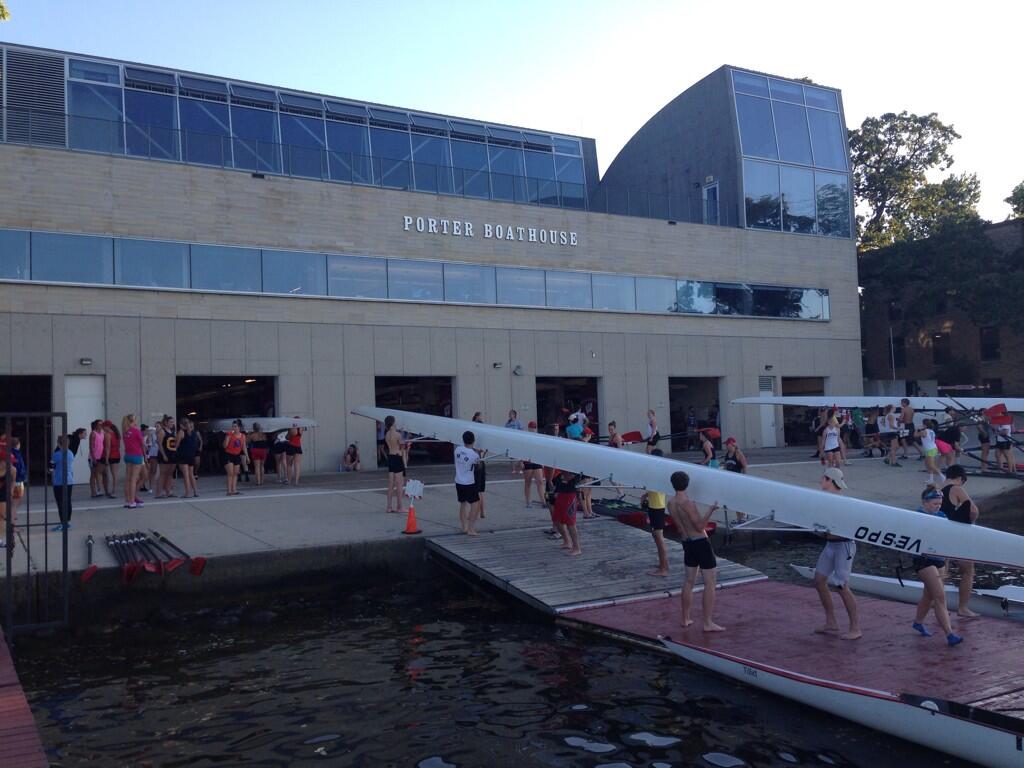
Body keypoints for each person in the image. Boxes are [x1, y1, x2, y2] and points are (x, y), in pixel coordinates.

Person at [668, 470, 723, 631]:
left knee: (689, 581)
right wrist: (710, 511)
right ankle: (707, 623)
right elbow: (699, 526)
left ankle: (685, 619)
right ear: (687, 484)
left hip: (686, 542)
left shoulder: (670, 503)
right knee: (710, 583)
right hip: (700, 542)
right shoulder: (688, 504)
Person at [812, 467, 861, 640]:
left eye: (822, 478)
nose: (820, 481)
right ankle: (831, 621)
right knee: (819, 580)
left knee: (841, 586)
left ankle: (855, 628)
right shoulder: (825, 500)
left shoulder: (841, 502)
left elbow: (847, 529)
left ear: (829, 481)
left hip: (844, 547)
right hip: (830, 545)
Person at [910, 486, 963, 646]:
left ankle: (918, 623)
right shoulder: (916, 516)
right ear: (924, 503)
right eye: (934, 504)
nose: (938, 507)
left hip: (939, 560)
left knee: (929, 595)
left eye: (939, 504)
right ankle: (950, 634)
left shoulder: (942, 516)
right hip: (924, 560)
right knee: (940, 596)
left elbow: (945, 541)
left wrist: (946, 563)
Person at [940, 465, 980, 617]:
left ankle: (940, 606)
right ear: (960, 478)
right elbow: (973, 510)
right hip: (955, 535)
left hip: (938, 534)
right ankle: (963, 608)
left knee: (942, 572)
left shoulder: (936, 490)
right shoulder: (956, 488)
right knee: (968, 571)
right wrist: (971, 523)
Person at [644, 448, 670, 576]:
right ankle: (663, 563)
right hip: (654, 505)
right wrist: (645, 495)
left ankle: (664, 568)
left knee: (659, 538)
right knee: (656, 536)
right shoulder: (658, 471)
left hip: (657, 507)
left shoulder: (658, 472)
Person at [454, 430, 481, 536]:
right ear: (473, 441)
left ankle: (464, 527)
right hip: (469, 483)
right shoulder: (474, 455)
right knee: (475, 503)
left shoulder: (457, 450)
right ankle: (471, 528)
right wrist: (479, 454)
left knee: (463, 503)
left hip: (458, 481)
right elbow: (479, 467)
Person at [551, 469, 582, 555]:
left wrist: (563, 474)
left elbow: (569, 477)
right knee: (556, 519)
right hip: (561, 494)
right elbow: (556, 480)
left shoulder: (573, 467)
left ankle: (577, 548)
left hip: (570, 495)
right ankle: (567, 541)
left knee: (570, 522)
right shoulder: (562, 467)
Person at [121, 414, 146, 509]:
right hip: (136, 456)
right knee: (133, 479)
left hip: (128, 455)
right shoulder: (136, 431)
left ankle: (127, 500)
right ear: (133, 421)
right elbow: (142, 443)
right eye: (135, 420)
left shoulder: (125, 431)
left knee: (128, 479)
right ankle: (132, 501)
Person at [50, 435, 74, 532]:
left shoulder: (56, 455)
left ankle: (62, 523)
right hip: (69, 480)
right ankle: (67, 521)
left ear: (59, 444)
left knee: (60, 503)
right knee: (67, 501)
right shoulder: (70, 453)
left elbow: (51, 468)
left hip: (59, 481)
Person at [384, 416, 405, 515]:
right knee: (399, 484)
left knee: (391, 485)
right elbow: (402, 447)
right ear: (392, 423)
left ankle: (389, 507)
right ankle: (400, 507)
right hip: (397, 458)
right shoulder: (398, 435)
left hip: (390, 458)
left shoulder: (387, 434)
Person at [522, 421, 545, 508]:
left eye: (535, 427)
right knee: (528, 482)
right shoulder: (525, 438)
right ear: (529, 428)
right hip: (528, 460)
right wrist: (521, 461)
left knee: (540, 481)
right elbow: (522, 449)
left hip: (537, 460)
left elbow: (541, 450)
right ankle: (528, 501)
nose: (533, 429)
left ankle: (543, 501)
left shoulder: (538, 437)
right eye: (532, 427)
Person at [176, 418, 200, 498]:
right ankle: (195, 491)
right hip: (191, 455)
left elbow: (177, 445)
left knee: (186, 475)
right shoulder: (193, 433)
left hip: (183, 455)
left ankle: (187, 493)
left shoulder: (181, 432)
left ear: (181, 425)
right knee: (191, 474)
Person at [222, 421, 247, 496]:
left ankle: (234, 489)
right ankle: (229, 491)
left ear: (239, 427)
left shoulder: (243, 436)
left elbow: (244, 447)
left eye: (235, 426)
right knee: (230, 473)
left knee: (236, 473)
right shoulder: (229, 435)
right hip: (228, 455)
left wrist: (247, 456)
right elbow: (224, 446)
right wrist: (227, 437)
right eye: (233, 426)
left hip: (237, 455)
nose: (234, 428)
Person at [917, 419, 945, 485]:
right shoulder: (931, 431)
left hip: (930, 449)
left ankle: (943, 477)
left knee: (931, 465)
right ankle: (931, 479)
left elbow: (916, 435)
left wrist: (918, 429)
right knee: (927, 464)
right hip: (931, 448)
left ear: (924, 425)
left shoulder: (925, 431)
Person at [471, 413, 488, 518]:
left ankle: (476, 512)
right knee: (481, 490)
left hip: (476, 463)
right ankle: (482, 512)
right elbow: (484, 450)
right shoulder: (483, 437)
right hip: (482, 461)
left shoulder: (474, 438)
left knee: (476, 490)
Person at [156, 415, 178, 498]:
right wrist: (164, 455)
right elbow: (159, 444)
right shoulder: (162, 431)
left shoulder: (172, 431)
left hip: (172, 454)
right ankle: (158, 493)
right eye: (171, 422)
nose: (173, 423)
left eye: (173, 422)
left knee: (169, 474)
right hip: (165, 454)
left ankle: (168, 491)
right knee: (162, 474)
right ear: (166, 423)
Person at [606, 420, 626, 499]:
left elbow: (620, 449)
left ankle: (620, 493)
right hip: (611, 458)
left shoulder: (617, 436)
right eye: (609, 429)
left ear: (615, 429)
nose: (610, 431)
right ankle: (621, 493)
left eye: (611, 429)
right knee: (616, 478)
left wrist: (618, 461)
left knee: (611, 478)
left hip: (616, 460)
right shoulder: (610, 436)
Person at [103, 420, 121, 499]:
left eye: (103, 427)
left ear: (107, 426)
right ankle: (114, 491)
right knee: (115, 474)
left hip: (111, 456)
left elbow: (107, 447)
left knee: (110, 474)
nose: (103, 428)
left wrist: (106, 459)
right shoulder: (116, 434)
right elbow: (119, 446)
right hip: (117, 455)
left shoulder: (107, 434)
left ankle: (113, 491)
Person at [8, 437, 26, 520]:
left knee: (13, 502)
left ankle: (11, 518)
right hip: (17, 480)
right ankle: (12, 521)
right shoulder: (16, 453)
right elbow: (18, 467)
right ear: (18, 444)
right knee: (15, 503)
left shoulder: (10, 452)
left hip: (13, 480)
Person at [89, 419, 106, 498]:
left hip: (101, 456)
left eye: (102, 424)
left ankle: (99, 489)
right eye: (99, 424)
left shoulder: (103, 432)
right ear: (96, 425)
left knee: (99, 473)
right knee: (93, 474)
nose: (101, 426)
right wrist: (93, 458)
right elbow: (91, 446)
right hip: (94, 457)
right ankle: (93, 491)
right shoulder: (93, 433)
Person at [143, 423, 158, 493]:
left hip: (159, 453)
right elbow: (147, 444)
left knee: (156, 471)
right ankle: (151, 487)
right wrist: (149, 435)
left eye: (158, 426)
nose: (156, 428)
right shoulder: (150, 435)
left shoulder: (161, 434)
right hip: (152, 454)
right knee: (152, 470)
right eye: (155, 426)